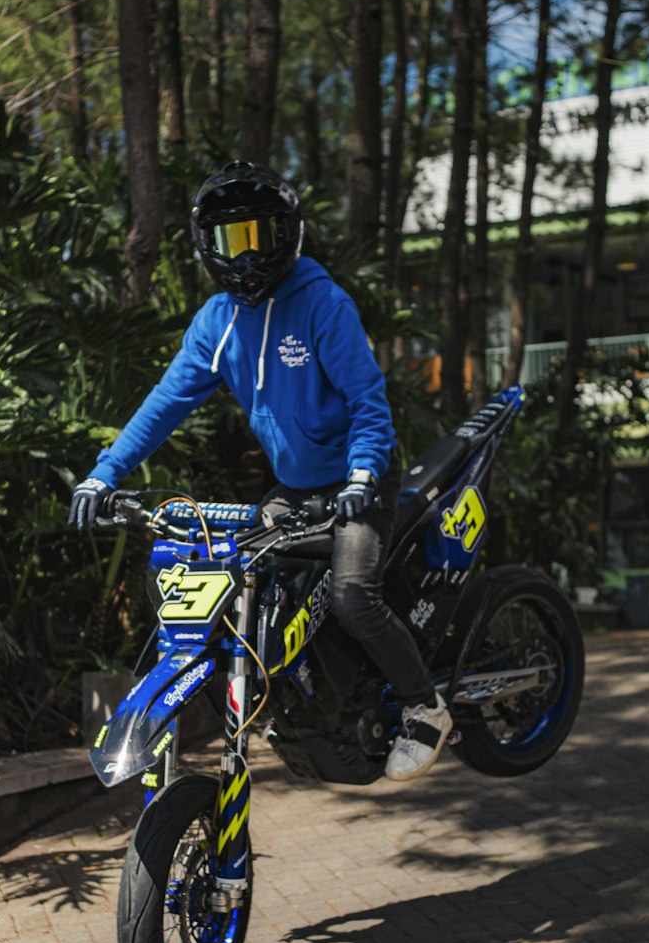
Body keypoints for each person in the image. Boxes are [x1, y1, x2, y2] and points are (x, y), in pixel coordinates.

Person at [68, 160, 451, 781]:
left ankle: (424, 707)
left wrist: (360, 476)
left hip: (360, 482)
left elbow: (368, 404)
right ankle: (291, 697)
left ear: (289, 234)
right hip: (295, 491)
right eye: (230, 240)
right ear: (207, 247)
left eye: (259, 236)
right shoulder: (217, 323)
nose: (245, 257)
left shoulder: (323, 303)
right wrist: (102, 474)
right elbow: (163, 404)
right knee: (231, 580)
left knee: (354, 597)